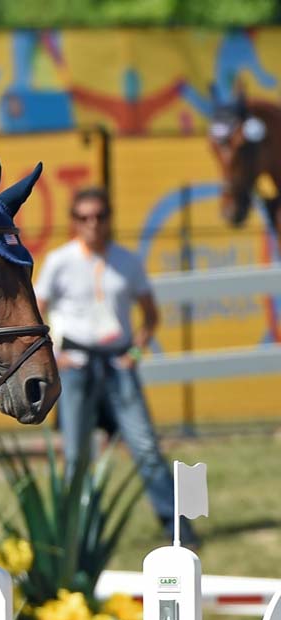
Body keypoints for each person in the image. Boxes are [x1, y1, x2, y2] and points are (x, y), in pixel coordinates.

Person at [35, 187, 197, 546]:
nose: (92, 224)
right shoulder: (59, 261)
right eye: (83, 217)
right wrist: (53, 355)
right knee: (76, 457)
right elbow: (35, 312)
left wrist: (136, 354)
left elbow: (151, 315)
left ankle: (176, 526)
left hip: (118, 364)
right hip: (76, 365)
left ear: (109, 219)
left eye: (99, 216)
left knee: (145, 448)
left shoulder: (127, 261)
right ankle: (75, 534)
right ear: (73, 222)